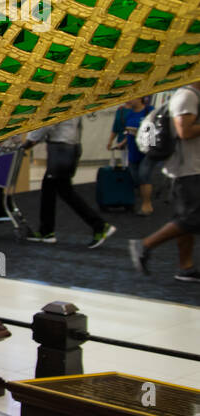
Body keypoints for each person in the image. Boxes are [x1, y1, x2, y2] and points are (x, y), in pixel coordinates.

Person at [130, 81, 200, 282]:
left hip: (191, 169)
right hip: (188, 170)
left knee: (186, 220)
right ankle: (144, 245)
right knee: (191, 220)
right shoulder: (187, 96)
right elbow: (184, 132)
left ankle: (185, 267)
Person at [24, 116, 115, 247]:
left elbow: (47, 122)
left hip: (60, 151)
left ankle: (99, 225)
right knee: (51, 190)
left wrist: (29, 141)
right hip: (70, 148)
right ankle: (46, 231)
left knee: (64, 192)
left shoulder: (57, 100)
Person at [110, 96, 155, 215]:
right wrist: (122, 143)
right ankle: (142, 202)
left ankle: (147, 205)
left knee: (144, 176)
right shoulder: (129, 114)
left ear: (140, 98)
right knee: (136, 178)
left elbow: (154, 130)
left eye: (131, 98)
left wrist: (139, 132)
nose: (128, 99)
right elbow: (128, 132)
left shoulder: (149, 111)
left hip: (146, 151)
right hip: (132, 151)